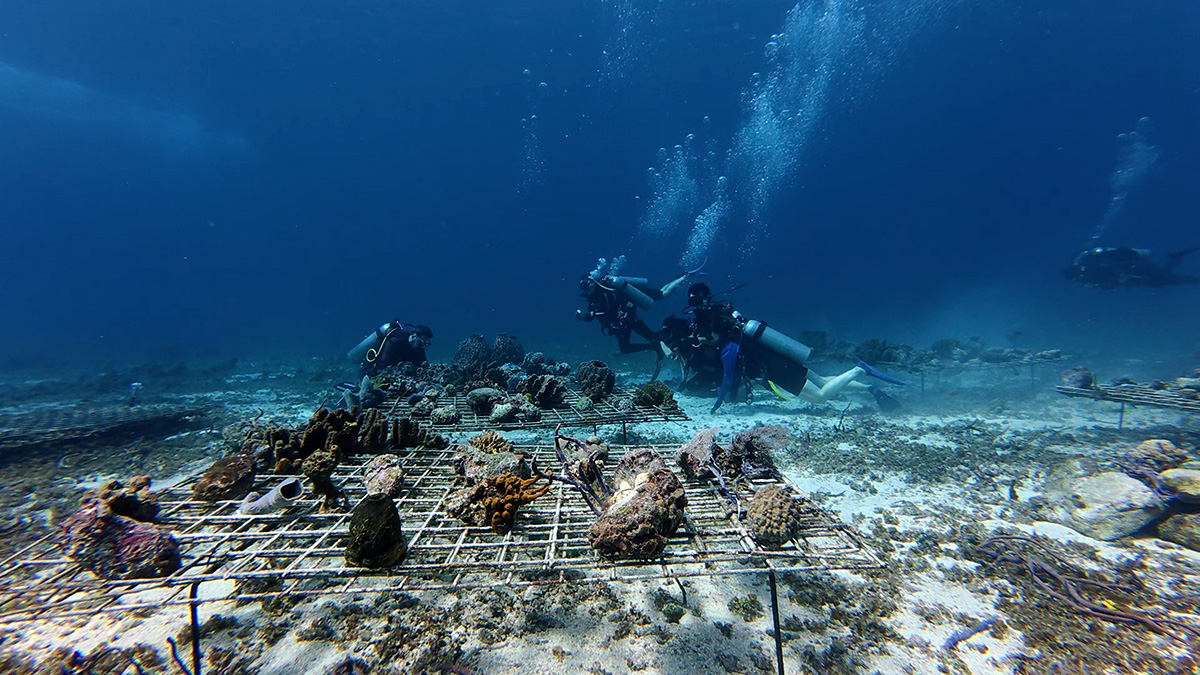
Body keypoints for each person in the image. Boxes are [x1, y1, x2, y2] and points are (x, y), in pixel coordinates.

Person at [679, 283, 905, 414]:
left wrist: (718, 402)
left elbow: (728, 374)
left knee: (820, 396)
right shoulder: (736, 330)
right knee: (824, 381)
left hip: (777, 368)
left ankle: (858, 371)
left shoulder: (729, 341)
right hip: (779, 358)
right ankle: (869, 388)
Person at [577, 269, 689, 378]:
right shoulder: (593, 297)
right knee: (627, 348)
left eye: (587, 287)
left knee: (663, 294)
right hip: (621, 323)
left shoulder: (607, 290)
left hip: (628, 320)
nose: (587, 291)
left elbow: (625, 303)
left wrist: (623, 317)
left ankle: (684, 277)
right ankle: (657, 345)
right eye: (584, 289)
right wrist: (586, 316)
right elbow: (599, 313)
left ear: (592, 283)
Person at [1065, 246, 1200, 289]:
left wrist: (1118, 278)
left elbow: (1111, 273)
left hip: (1137, 271)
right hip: (1137, 275)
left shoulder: (1092, 269)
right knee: (1165, 279)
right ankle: (1174, 259)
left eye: (1076, 278)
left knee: (1167, 278)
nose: (1078, 280)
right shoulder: (1090, 271)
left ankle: (1175, 258)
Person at [347, 320, 433, 376]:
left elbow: (423, 364)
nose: (422, 347)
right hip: (370, 371)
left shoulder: (418, 349)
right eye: (420, 343)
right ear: (414, 337)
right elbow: (383, 359)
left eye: (425, 344)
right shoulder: (396, 340)